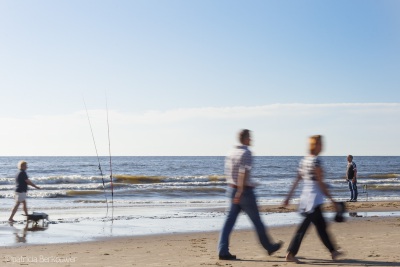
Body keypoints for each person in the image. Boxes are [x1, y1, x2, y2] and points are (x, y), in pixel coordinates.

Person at [217, 129, 282, 260]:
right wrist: (241, 191)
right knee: (257, 221)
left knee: (228, 222)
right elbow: (243, 173)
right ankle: (269, 246)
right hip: (245, 192)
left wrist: (235, 191)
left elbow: (229, 172)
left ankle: (222, 250)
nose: (251, 139)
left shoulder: (231, 153)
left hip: (231, 189)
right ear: (245, 138)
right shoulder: (246, 153)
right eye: (250, 137)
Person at [283, 135, 342, 263]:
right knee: (304, 227)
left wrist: (289, 196)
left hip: (307, 198)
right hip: (313, 200)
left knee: (321, 226)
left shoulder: (304, 160)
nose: (322, 146)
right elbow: (320, 183)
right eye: (320, 143)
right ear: (315, 145)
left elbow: (297, 179)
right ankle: (290, 253)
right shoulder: (316, 161)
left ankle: (333, 251)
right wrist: (333, 201)